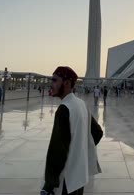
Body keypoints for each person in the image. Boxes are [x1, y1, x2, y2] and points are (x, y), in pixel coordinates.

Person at [41, 66, 103, 195]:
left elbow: (57, 151)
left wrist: (49, 184)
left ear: (67, 83)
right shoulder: (81, 104)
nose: (51, 84)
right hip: (80, 175)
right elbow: (97, 132)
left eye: (54, 80)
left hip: (66, 179)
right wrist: (80, 152)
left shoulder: (64, 109)